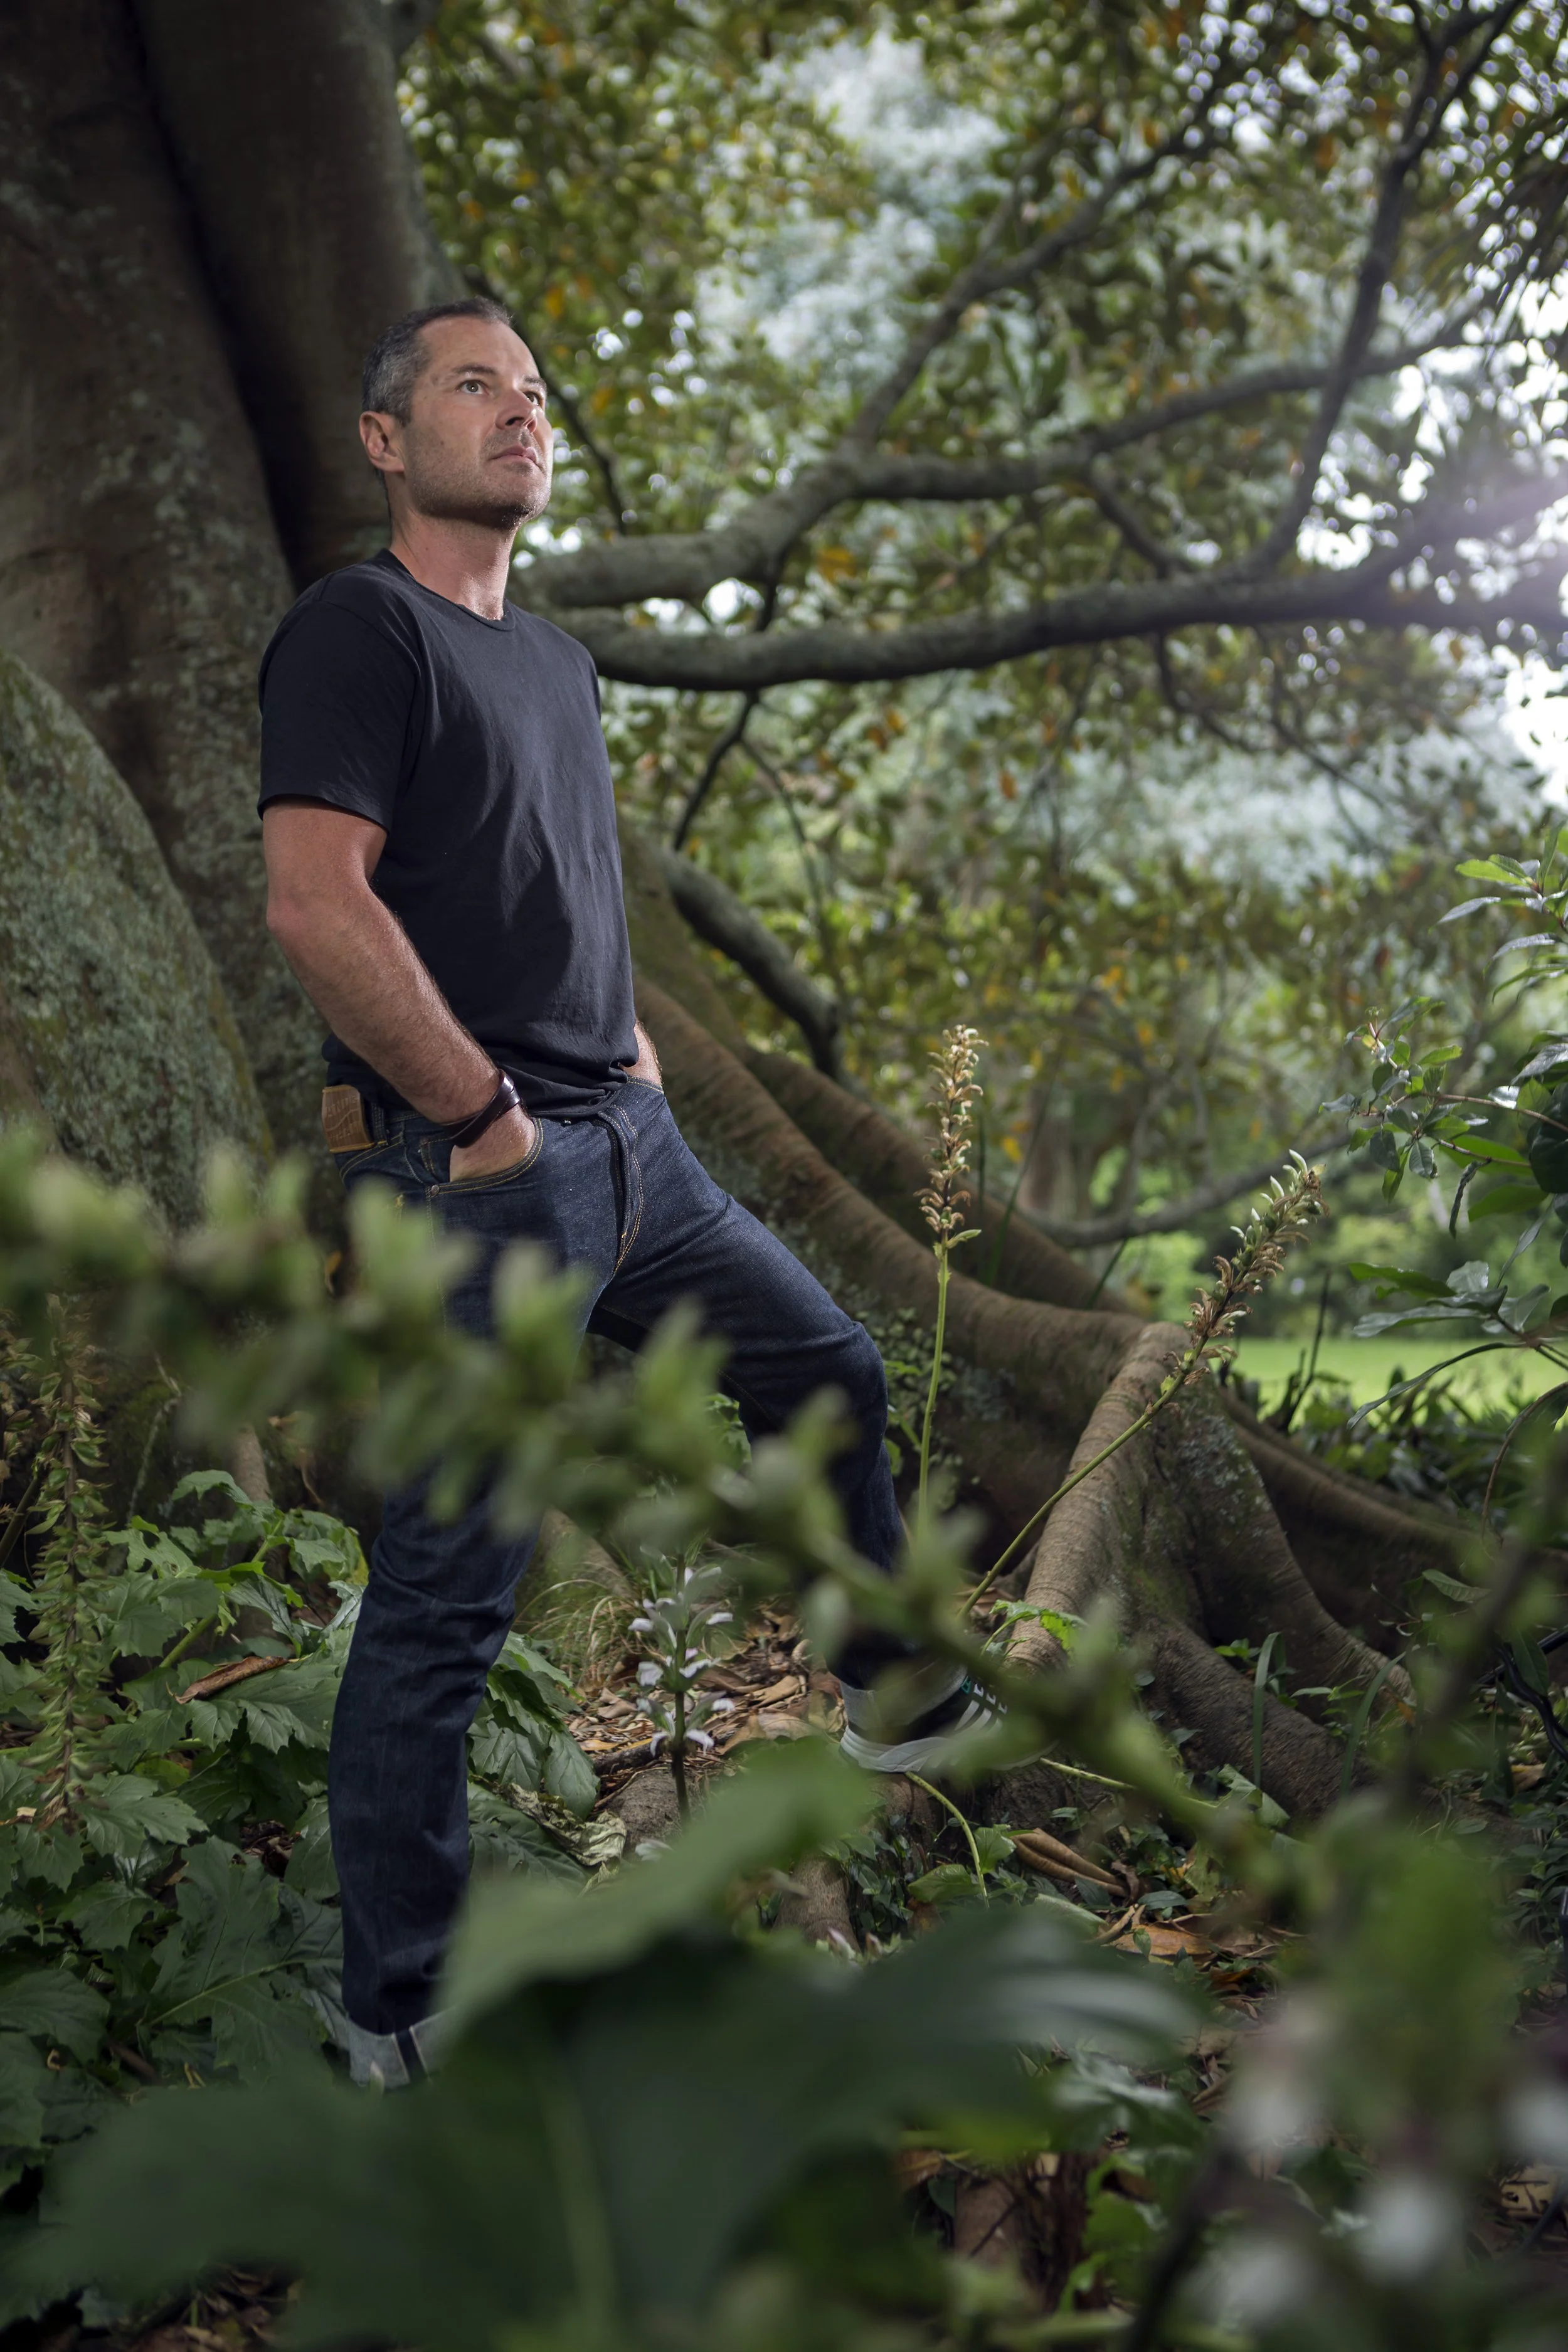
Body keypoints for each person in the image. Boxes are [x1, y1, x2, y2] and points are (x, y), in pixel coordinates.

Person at [257, 297, 991, 2086]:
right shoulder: (359, 630)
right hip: (471, 1167)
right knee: (454, 1584)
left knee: (826, 1368)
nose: (520, 412)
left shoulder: (559, 663)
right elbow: (315, 903)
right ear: (384, 440)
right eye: (472, 386)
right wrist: (486, 1116)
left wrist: (637, 1077)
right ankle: (400, 2007)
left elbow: (568, 895)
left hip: (632, 1144)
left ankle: (892, 1689)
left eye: (531, 391)